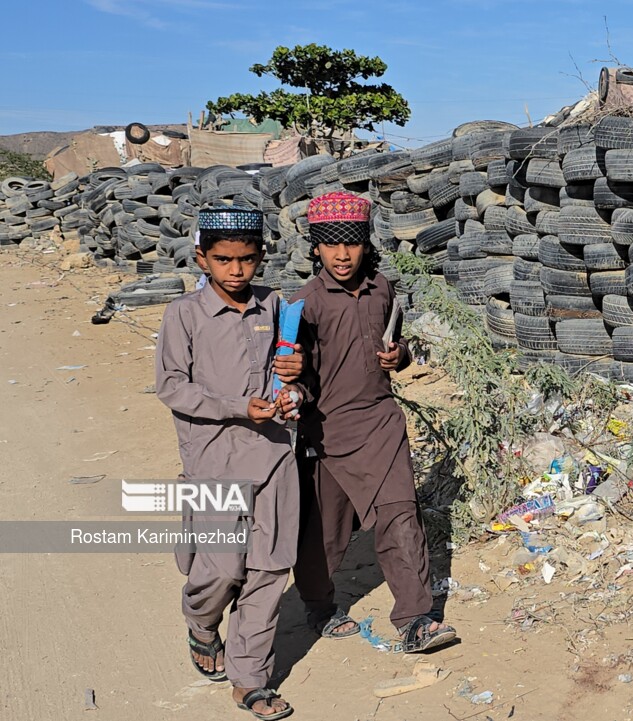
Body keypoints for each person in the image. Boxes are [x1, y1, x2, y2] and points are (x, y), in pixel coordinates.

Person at [155, 206, 303, 721]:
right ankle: (201, 624)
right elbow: (171, 386)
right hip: (214, 461)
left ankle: (250, 679)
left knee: (268, 571)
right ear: (202, 258)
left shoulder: (277, 306)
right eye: (223, 261)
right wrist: (237, 406)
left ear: (260, 257)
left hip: (275, 457)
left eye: (246, 260)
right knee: (218, 571)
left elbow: (293, 378)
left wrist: (294, 389)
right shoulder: (184, 315)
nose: (236, 271)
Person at [292, 192, 456, 653]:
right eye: (330, 245)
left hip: (381, 424)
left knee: (401, 516)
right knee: (326, 532)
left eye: (351, 244)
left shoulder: (383, 288)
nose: (342, 255)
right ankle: (319, 606)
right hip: (327, 433)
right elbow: (296, 378)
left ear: (366, 244)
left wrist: (398, 356)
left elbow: (395, 348)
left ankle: (415, 619)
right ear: (316, 247)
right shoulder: (303, 305)